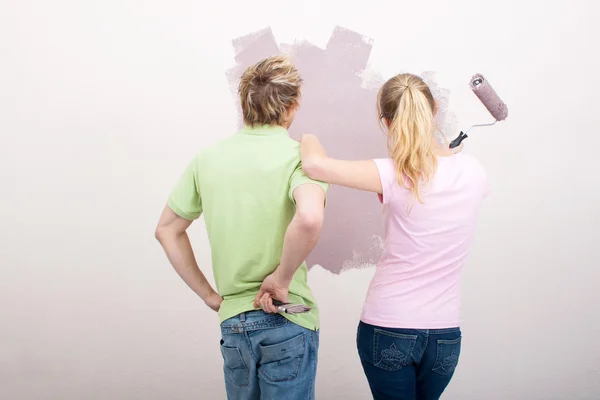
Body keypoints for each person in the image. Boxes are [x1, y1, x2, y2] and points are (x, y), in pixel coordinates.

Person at [300, 73, 488, 400]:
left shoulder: (392, 172)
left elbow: (314, 165)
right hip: (445, 336)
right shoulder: (475, 172)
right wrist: (443, 157)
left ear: (386, 122)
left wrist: (308, 135)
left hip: (389, 326)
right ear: (434, 109)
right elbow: (440, 180)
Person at [155, 55, 328, 400]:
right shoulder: (301, 158)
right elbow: (309, 218)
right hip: (285, 318)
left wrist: (210, 296)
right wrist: (280, 278)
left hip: (234, 323)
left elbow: (167, 230)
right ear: (292, 106)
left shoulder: (207, 159)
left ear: (244, 102)